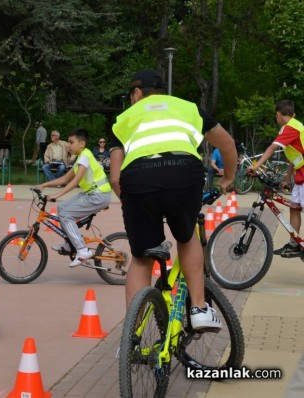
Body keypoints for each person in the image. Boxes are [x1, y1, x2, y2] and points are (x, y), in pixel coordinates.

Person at [109, 69, 236, 331]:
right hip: (183, 173)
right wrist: (227, 180)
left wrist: (132, 203)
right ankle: (199, 308)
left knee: (142, 258)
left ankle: (132, 335)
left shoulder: (124, 118)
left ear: (136, 93)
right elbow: (227, 144)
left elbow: (114, 177)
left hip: (138, 179)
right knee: (186, 237)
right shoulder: (189, 108)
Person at [36, 128, 112, 267]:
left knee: (65, 215)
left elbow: (75, 181)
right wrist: (43, 185)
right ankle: (70, 243)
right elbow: (65, 178)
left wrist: (56, 195)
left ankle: (83, 250)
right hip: (91, 193)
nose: (68, 145)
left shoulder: (85, 156)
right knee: (62, 207)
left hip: (98, 195)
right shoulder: (81, 157)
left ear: (81, 143)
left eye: (71, 142)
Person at [248, 99, 304, 258]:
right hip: (300, 174)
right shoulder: (293, 127)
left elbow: (272, 148)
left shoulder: (290, 127)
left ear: (278, 115)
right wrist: (287, 179)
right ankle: (295, 244)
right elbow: (294, 157)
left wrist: (256, 166)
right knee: (295, 207)